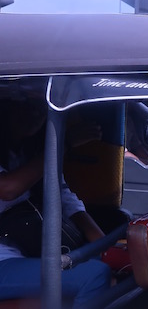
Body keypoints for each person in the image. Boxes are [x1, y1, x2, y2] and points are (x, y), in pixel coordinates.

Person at [0, 98, 111, 307]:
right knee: (94, 275)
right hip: (3, 260)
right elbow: (8, 189)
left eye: (41, 108)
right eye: (25, 105)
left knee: (103, 264)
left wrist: (106, 245)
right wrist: (62, 143)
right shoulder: (42, 156)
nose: (35, 114)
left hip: (30, 250)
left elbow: (65, 198)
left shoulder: (31, 152)